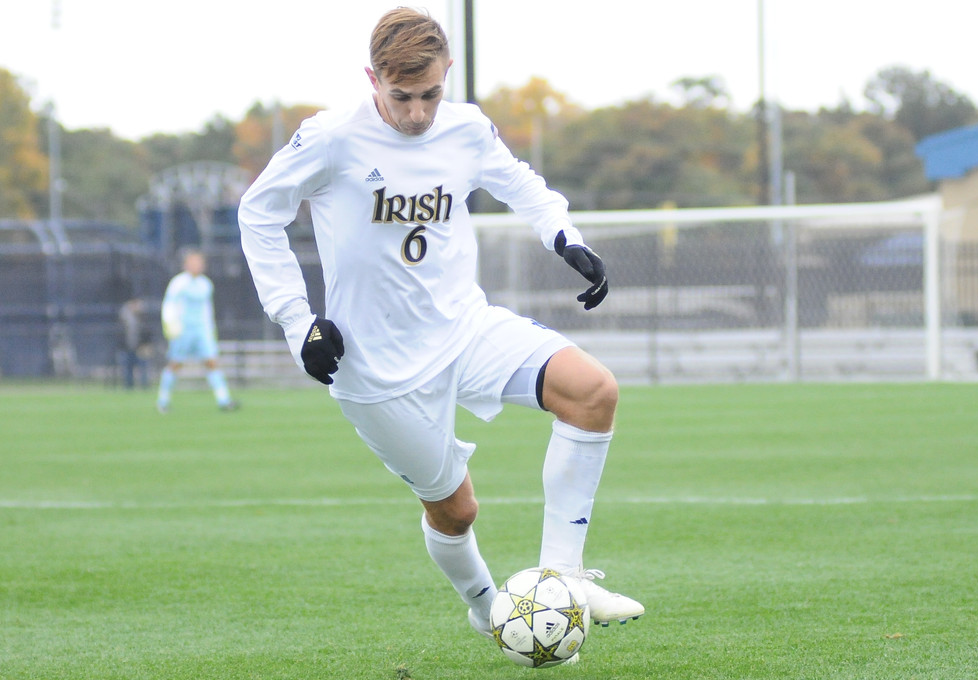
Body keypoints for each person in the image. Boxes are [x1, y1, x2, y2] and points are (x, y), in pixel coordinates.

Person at [237, 7, 643, 641]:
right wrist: (298, 323)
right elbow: (257, 214)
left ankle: (565, 582)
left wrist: (565, 236)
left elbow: (522, 185)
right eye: (401, 97)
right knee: (456, 512)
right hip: (372, 367)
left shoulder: (466, 129)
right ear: (371, 78)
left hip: (464, 329)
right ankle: (488, 610)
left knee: (593, 392)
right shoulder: (330, 137)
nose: (417, 113)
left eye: (430, 93)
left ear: (447, 72)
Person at [156, 249, 238, 413]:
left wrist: (210, 330)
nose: (197, 265)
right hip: (183, 329)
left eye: (199, 262)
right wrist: (171, 326)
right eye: (193, 262)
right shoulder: (178, 283)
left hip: (202, 330)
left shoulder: (205, 284)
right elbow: (169, 305)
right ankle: (163, 401)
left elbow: (207, 310)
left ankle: (224, 400)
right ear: (186, 264)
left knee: (212, 362)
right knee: (175, 364)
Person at [117, 298, 152, 389]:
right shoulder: (123, 317)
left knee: (143, 369)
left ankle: (144, 387)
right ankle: (129, 387)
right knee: (127, 370)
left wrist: (147, 345)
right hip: (126, 348)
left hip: (141, 348)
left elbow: (148, 332)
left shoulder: (143, 317)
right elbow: (119, 333)